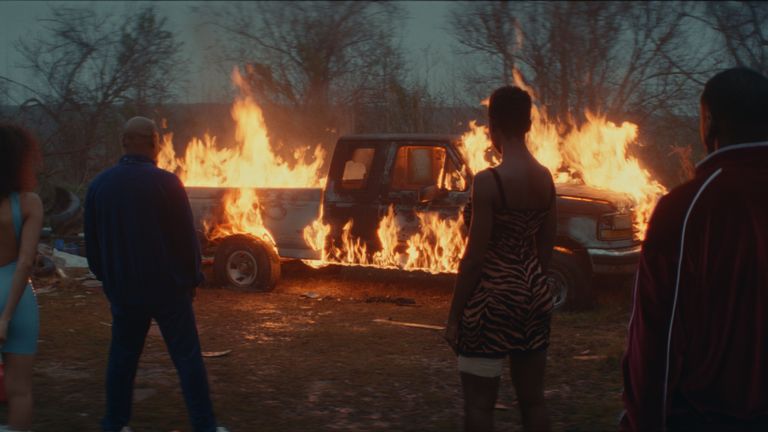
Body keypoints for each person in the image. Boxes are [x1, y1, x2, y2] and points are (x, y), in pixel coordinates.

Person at [622, 67, 768, 430]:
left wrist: (642, 422)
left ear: (709, 123)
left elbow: (658, 338)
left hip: (708, 417)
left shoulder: (686, 209)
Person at [84, 117, 227, 432]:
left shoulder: (99, 186)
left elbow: (92, 246)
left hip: (124, 291)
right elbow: (185, 240)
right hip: (168, 291)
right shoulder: (166, 183)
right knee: (187, 358)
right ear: (152, 142)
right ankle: (205, 426)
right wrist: (192, 279)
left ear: (124, 143)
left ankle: (114, 423)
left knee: (122, 358)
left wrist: (109, 279)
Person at [445, 86, 557, 432]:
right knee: (533, 401)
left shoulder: (488, 181)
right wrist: (534, 289)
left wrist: (454, 317)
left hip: (491, 301)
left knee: (480, 406)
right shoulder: (546, 179)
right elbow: (545, 251)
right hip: (534, 296)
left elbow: (474, 258)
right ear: (528, 125)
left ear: (492, 126)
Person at [0, 124, 42, 432]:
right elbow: (26, 262)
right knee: (20, 389)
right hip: (18, 299)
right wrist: (6, 317)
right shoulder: (29, 203)